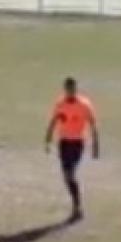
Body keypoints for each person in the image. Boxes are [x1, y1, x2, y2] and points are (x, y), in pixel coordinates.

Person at [44, 77, 101, 223]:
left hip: (77, 143)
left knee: (70, 174)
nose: (70, 92)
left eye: (72, 89)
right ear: (65, 89)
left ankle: (77, 206)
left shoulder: (84, 104)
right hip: (63, 143)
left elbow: (93, 125)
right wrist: (48, 139)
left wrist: (96, 146)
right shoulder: (60, 104)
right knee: (66, 176)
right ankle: (76, 205)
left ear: (76, 89)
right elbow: (53, 121)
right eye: (68, 89)